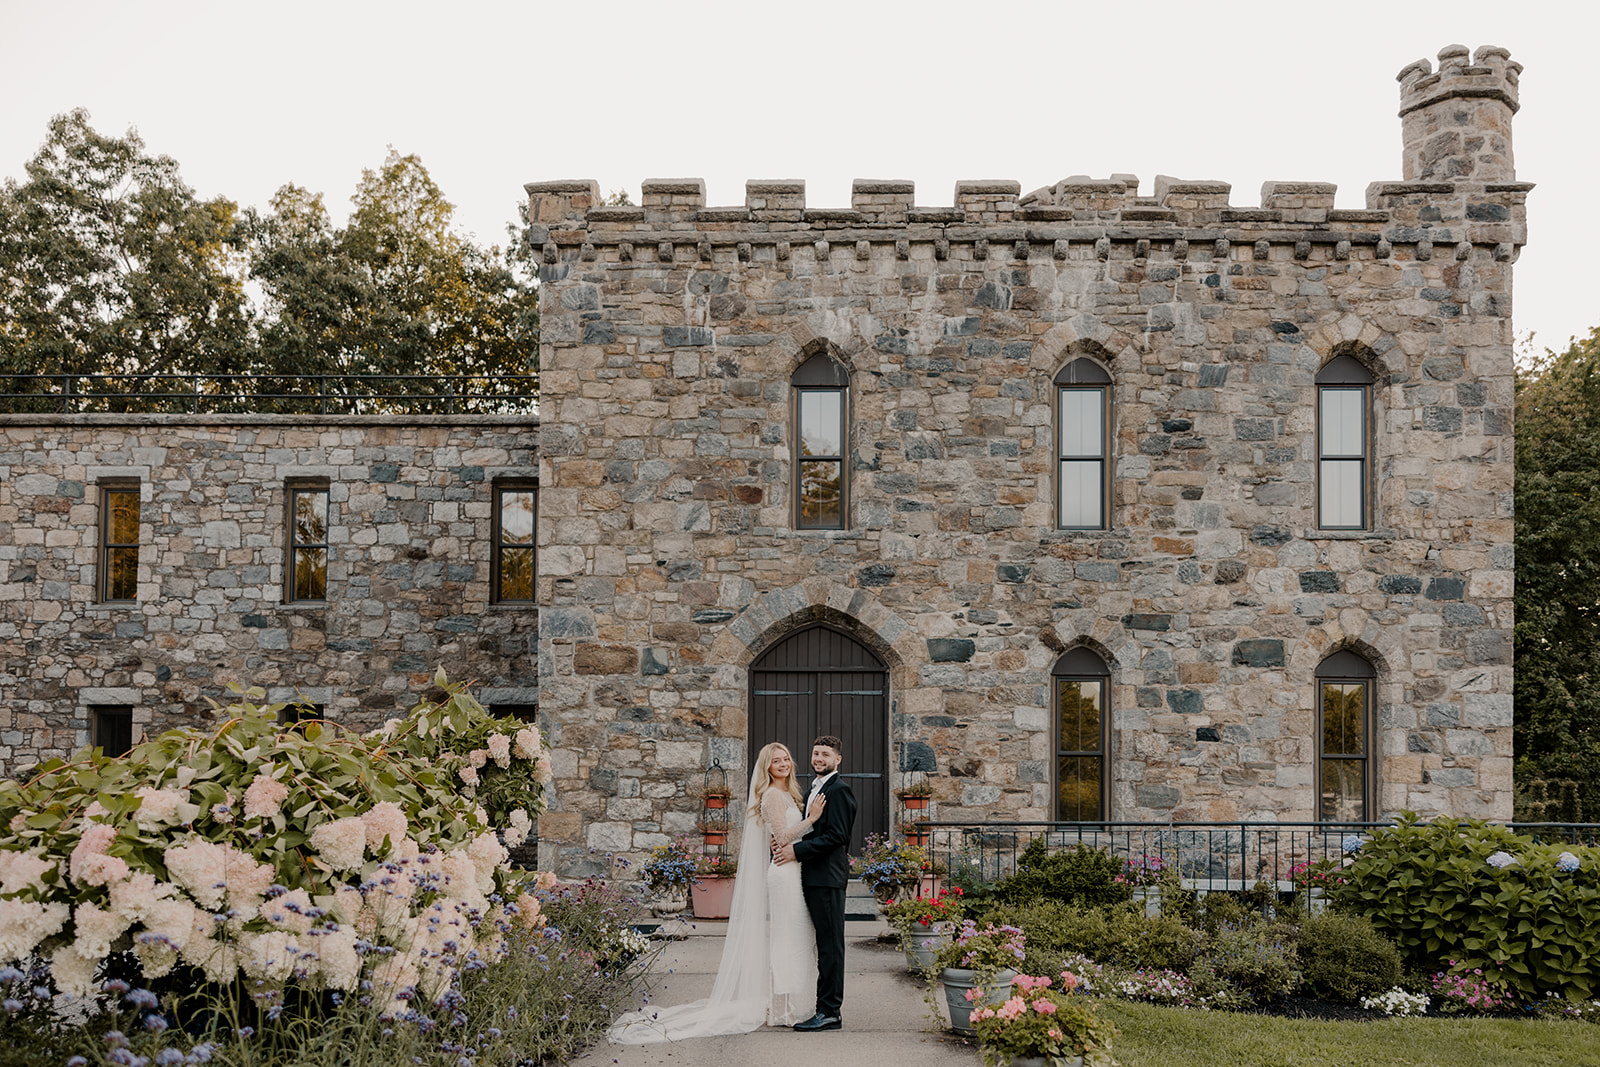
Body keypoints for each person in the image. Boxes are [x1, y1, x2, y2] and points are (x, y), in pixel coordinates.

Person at [606, 742, 825, 1042]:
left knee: (796, 937)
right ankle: (782, 1011)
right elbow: (781, 836)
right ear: (767, 767)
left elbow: (785, 839)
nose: (784, 764)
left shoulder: (789, 793)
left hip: (793, 871)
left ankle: (789, 1007)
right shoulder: (773, 795)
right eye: (776, 761)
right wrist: (811, 819)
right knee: (786, 939)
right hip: (783, 875)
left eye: (786, 758)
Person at [773, 734, 857, 1032]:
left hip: (828, 880)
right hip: (810, 877)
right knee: (816, 944)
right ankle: (819, 1006)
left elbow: (837, 836)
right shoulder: (813, 788)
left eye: (825, 754)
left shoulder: (840, 790)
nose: (819, 758)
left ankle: (830, 1011)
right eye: (815, 753)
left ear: (838, 760)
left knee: (830, 946)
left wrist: (795, 850)